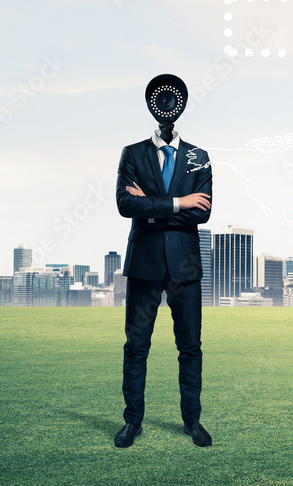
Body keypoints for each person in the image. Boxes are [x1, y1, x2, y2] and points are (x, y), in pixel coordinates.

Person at [113, 75, 213, 448]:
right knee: (136, 347)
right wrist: (178, 203)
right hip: (144, 265)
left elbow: (202, 214)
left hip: (185, 267)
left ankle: (192, 422)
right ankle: (132, 423)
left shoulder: (198, 157)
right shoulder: (132, 153)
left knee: (190, 348)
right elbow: (125, 205)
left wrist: (152, 206)